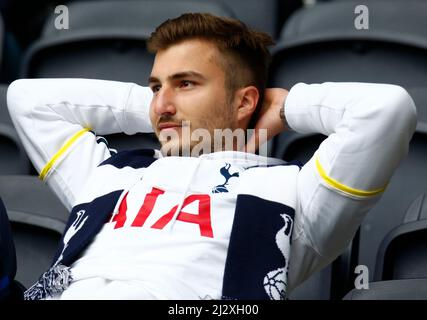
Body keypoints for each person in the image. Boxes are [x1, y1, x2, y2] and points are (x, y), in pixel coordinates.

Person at [6, 13, 417, 300]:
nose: (162, 103)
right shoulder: (107, 174)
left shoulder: (294, 194)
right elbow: (28, 98)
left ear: (245, 102)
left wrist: (287, 107)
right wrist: (162, 108)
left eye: (186, 83)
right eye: (154, 86)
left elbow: (387, 110)